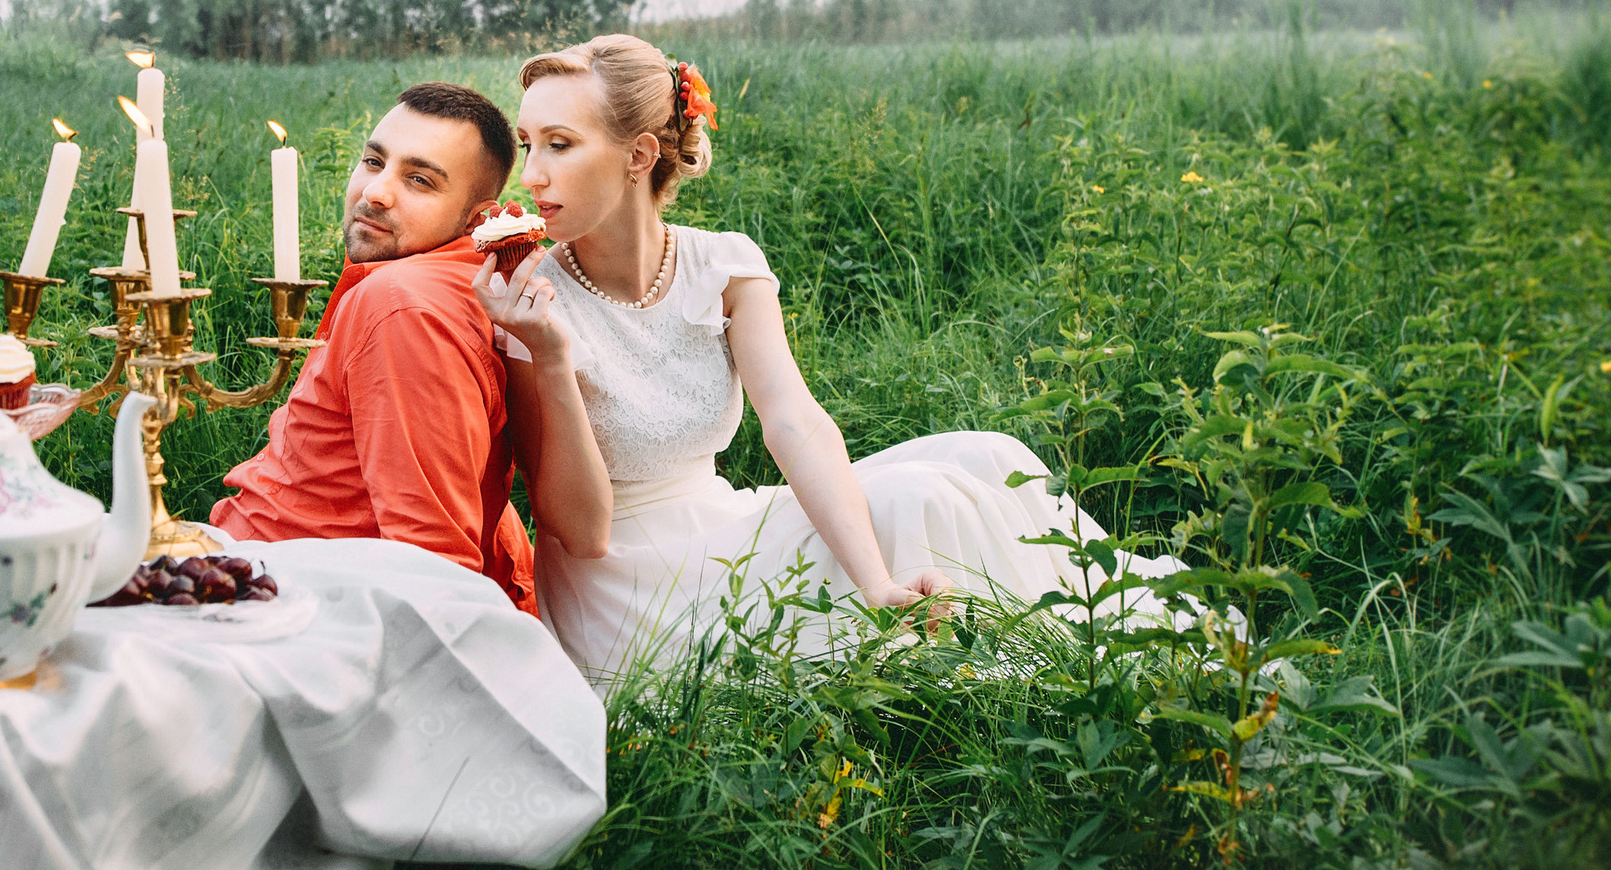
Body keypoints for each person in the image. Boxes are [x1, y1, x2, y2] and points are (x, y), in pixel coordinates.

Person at [479, 34, 1188, 677]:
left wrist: (876, 578)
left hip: (718, 520)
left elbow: (796, 425)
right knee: (919, 497)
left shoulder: (722, 266)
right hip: (626, 591)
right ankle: (1048, 667)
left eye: (560, 144)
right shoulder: (530, 299)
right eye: (527, 143)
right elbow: (579, 531)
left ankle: (1101, 640)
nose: (532, 174)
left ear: (638, 154)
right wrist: (548, 357)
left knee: (992, 457)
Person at [214, 81, 538, 613]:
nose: (376, 192)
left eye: (419, 180)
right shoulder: (448, 278)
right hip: (265, 565)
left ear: (480, 220)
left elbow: (431, 559)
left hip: (281, 597)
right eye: (372, 161)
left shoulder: (403, 308)